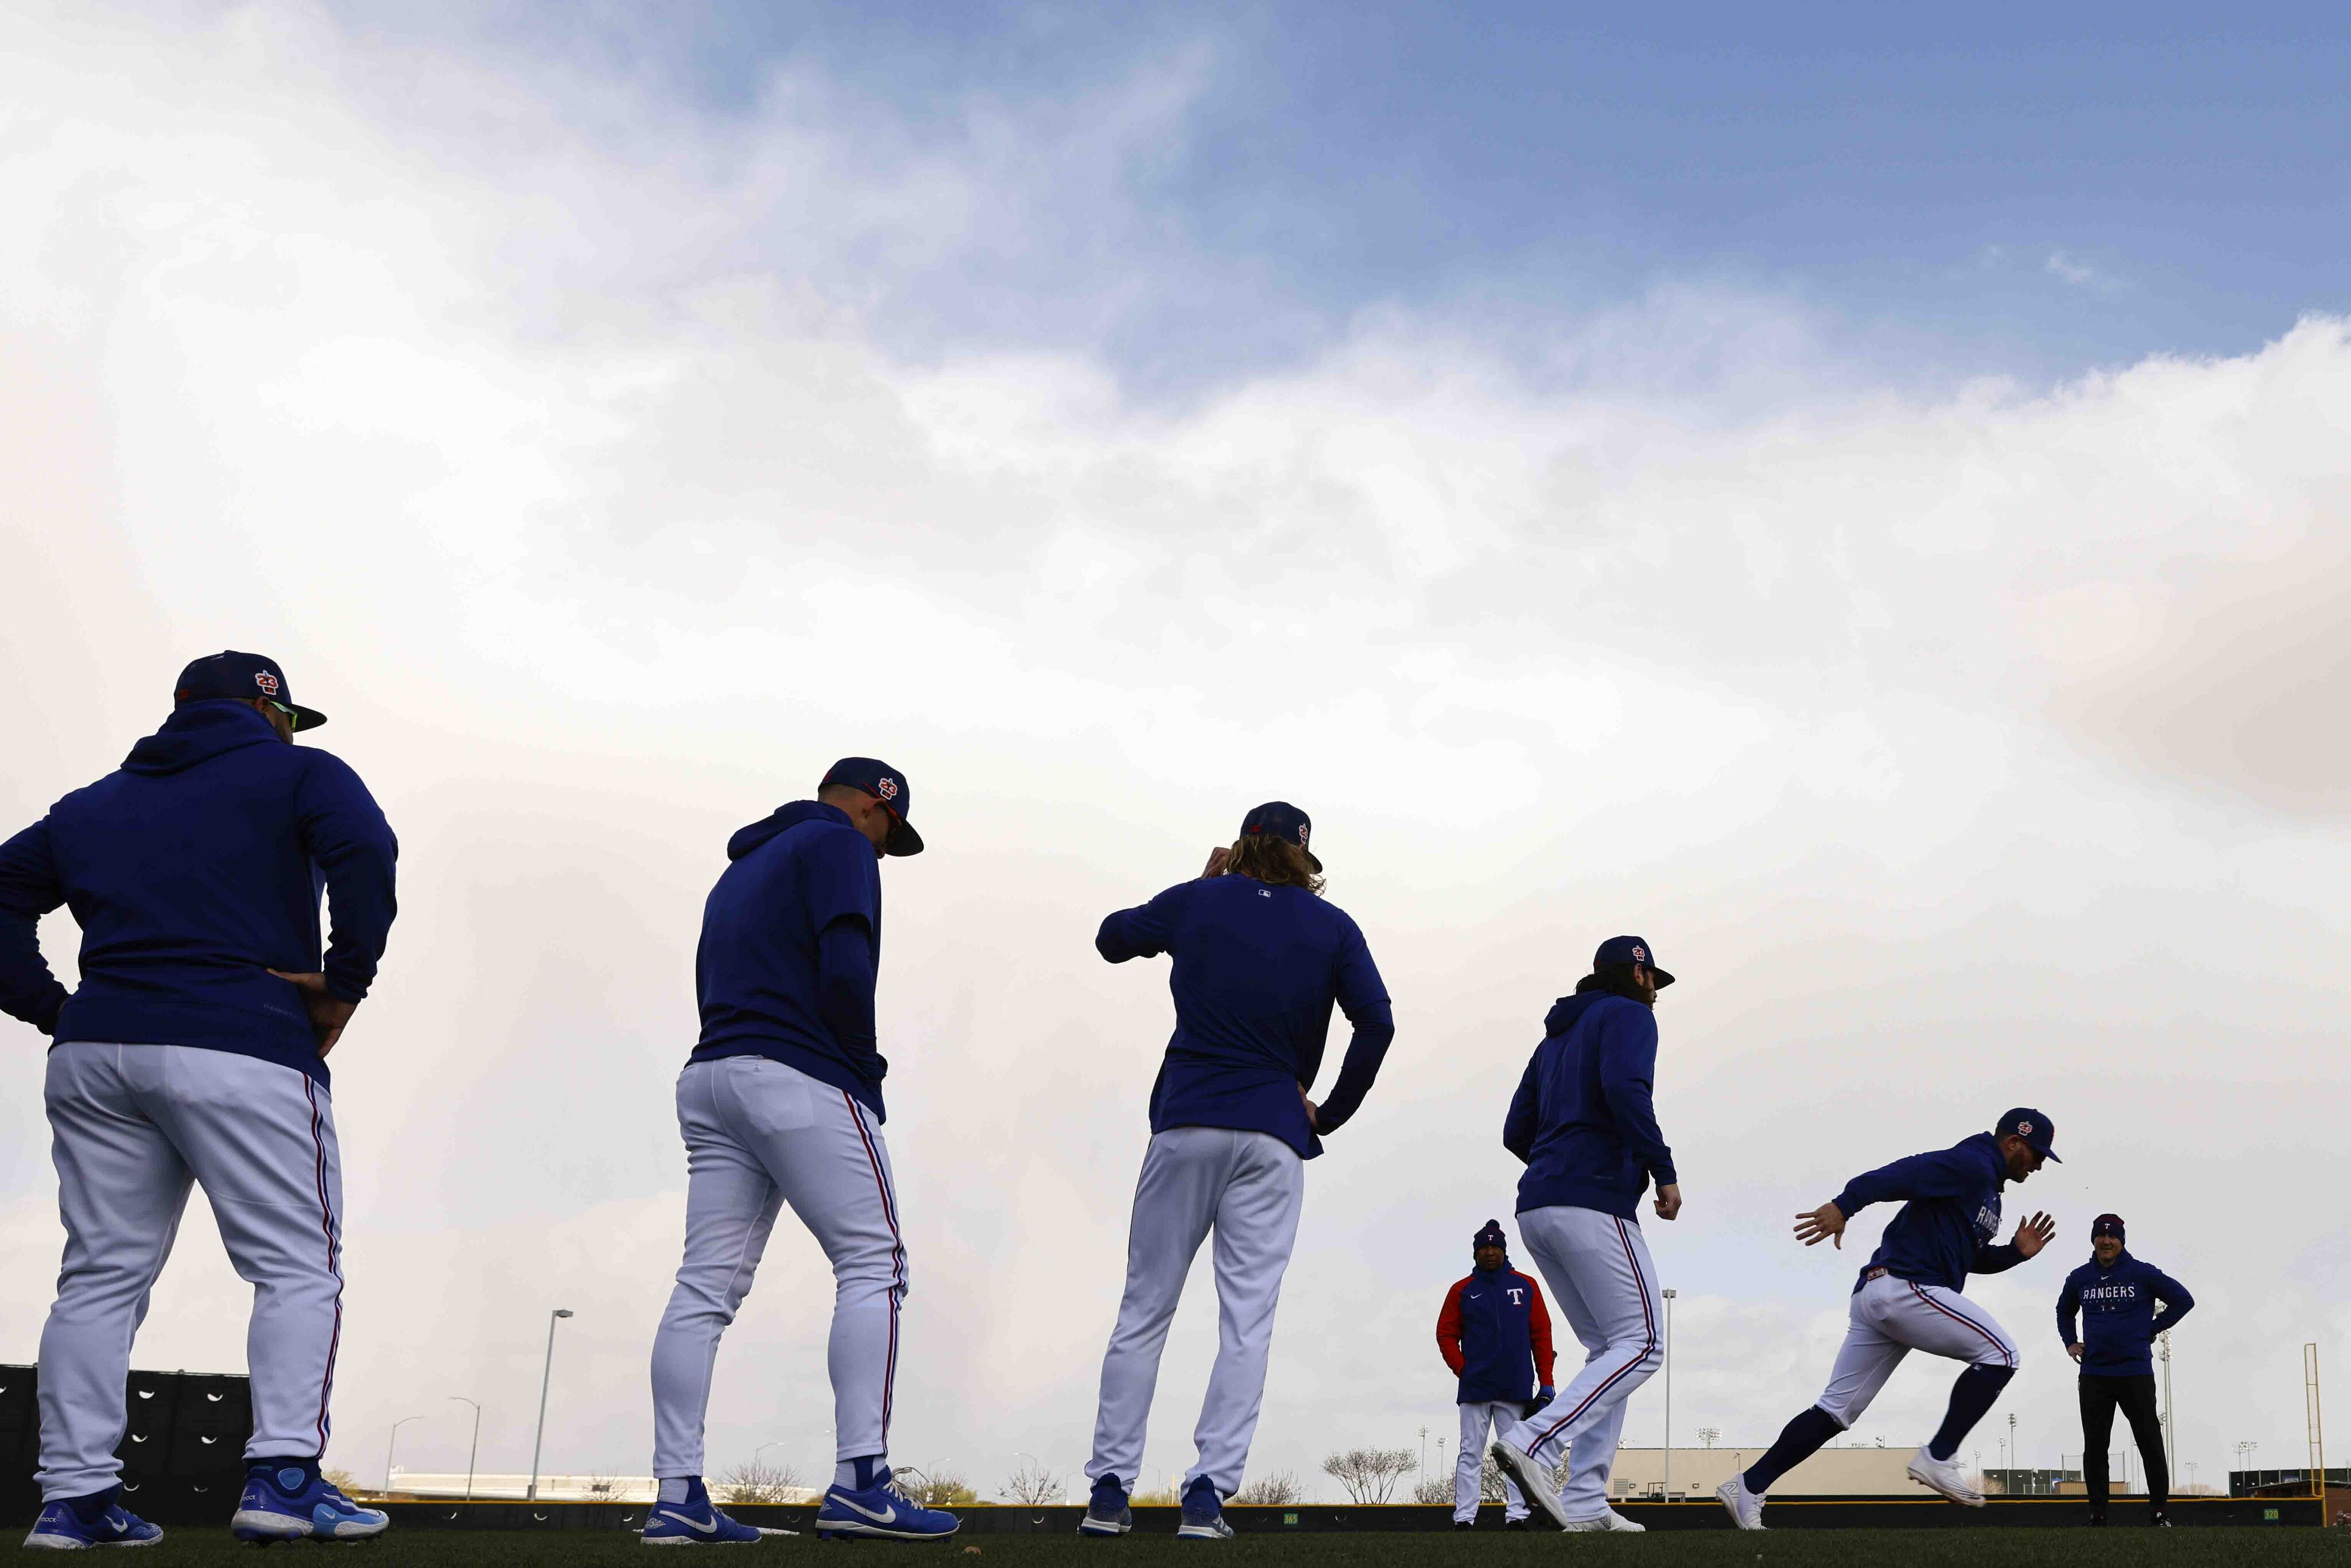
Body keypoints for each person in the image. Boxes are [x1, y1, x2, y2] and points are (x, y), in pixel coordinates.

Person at [0, 652, 399, 1549]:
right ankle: (286, 1479)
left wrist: (53, 1008)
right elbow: (366, 848)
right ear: (269, 712)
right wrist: (346, 982)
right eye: (290, 714)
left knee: (100, 1276)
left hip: (98, 1053)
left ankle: (73, 1500)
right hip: (242, 1042)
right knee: (297, 1264)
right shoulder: (301, 770)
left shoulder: (90, 804)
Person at [643, 758, 958, 1545]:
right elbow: (848, 968)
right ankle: (862, 1482)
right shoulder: (842, 846)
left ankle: (677, 1495)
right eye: (891, 834)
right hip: (797, 1073)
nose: (886, 854)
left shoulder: (744, 866)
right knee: (874, 1260)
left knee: (703, 1288)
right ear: (871, 810)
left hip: (711, 1072)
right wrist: (864, 1065)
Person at [1080, 802, 1395, 1542]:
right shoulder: (1334, 926)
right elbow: (1376, 1021)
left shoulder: (1201, 899)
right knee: (1245, 1321)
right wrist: (1330, 1111)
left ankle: (1108, 1490)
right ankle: (1206, 1496)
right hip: (1276, 1132)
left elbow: (1110, 938)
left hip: (1188, 1118)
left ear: (1244, 843)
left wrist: (1199, 883)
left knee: (1144, 1309)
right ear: (1303, 857)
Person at [1716, 1111, 2062, 1530]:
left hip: (1881, 1295)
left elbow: (1967, 1258)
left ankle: (1748, 1486)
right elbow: (1902, 1173)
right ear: (2012, 1143)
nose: (2039, 1163)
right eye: (2036, 1153)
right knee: (2002, 1354)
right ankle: (1938, 1456)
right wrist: (1844, 1205)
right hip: (1906, 1288)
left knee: (1835, 1411)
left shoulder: (1988, 1190)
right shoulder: (1972, 1162)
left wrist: (2014, 1254)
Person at [1488, 937, 1682, 1533]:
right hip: (1591, 1199)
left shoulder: (1553, 1036)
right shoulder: (1629, 1013)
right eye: (1652, 977)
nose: (1657, 990)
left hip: (1538, 1204)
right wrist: (1662, 1168)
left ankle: (1585, 1498)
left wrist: (1557, 1159)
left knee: (1611, 1348)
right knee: (1644, 1343)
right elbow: (1628, 1090)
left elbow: (1514, 1129)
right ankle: (1535, 1443)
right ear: (1635, 971)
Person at [2057, 1212, 2193, 1527]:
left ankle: (2160, 1512)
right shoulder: (2079, 1277)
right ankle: (2098, 1515)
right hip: (2095, 1375)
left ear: (2121, 1241)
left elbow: (2183, 1300)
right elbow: (2064, 1310)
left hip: (2135, 1374)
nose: (2106, 1242)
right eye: (2101, 1237)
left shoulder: (2142, 1273)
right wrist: (2070, 1342)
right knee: (2095, 1447)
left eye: (2112, 1237)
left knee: (2149, 1443)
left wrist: (2153, 1328)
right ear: (2093, 1240)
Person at [1434, 1220, 1555, 1530]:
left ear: (1503, 1250)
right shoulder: (1461, 1290)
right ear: (1476, 1253)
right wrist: (1462, 1369)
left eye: (1495, 1247)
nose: (1490, 1253)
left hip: (1514, 1387)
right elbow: (1445, 1334)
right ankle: (1464, 1518)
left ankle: (1517, 1516)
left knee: (1514, 1455)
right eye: (1484, 1248)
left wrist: (1547, 1382)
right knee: (1470, 1453)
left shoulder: (1526, 1285)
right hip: (1475, 1388)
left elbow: (1542, 1335)